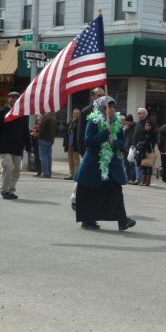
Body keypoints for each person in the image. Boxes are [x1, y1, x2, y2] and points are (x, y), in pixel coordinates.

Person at [74, 96, 135, 231]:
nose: (112, 110)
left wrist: (115, 143)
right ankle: (87, 220)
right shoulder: (93, 120)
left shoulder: (117, 122)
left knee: (116, 190)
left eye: (113, 107)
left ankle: (122, 220)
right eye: (109, 107)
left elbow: (121, 142)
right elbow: (88, 141)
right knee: (90, 192)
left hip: (111, 163)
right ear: (103, 108)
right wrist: (104, 133)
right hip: (94, 164)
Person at [0, 91, 31, 199]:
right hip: (5, 146)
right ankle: (4, 190)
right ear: (8, 99)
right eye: (12, 98)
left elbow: (25, 131)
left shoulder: (22, 114)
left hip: (18, 147)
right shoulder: (1, 112)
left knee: (16, 171)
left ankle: (11, 190)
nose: (14, 100)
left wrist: (28, 145)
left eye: (16, 98)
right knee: (8, 167)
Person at [135, 120, 157, 187]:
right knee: (144, 165)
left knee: (149, 166)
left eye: (147, 125)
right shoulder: (143, 132)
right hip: (143, 151)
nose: (145, 126)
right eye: (145, 125)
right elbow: (140, 140)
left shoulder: (153, 134)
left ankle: (147, 182)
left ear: (151, 126)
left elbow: (151, 142)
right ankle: (143, 181)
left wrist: (146, 140)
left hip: (149, 151)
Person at [37, 112, 57, 178]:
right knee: (49, 157)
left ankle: (45, 172)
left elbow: (41, 130)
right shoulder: (54, 119)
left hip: (43, 139)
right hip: (50, 140)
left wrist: (38, 134)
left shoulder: (44, 119)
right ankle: (49, 172)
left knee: (43, 157)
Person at [133, 108, 149, 185]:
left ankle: (142, 180)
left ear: (145, 114)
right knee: (137, 162)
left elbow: (148, 135)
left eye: (140, 113)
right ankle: (137, 179)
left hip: (144, 147)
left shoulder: (147, 123)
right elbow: (135, 135)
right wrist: (133, 144)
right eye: (138, 113)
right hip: (137, 146)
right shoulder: (137, 123)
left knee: (143, 163)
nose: (138, 114)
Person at [63, 108, 81, 180]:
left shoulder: (80, 122)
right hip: (69, 143)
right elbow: (66, 133)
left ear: (79, 114)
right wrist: (65, 143)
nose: (76, 114)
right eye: (75, 113)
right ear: (72, 114)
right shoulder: (70, 121)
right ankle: (71, 174)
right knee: (70, 159)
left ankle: (76, 175)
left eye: (77, 113)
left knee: (76, 159)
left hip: (75, 143)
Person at [122, 114, 136, 184]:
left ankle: (133, 178)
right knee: (126, 164)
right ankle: (129, 178)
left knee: (131, 164)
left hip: (132, 149)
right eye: (126, 121)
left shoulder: (135, 127)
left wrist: (134, 145)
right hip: (126, 149)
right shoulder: (126, 129)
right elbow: (123, 137)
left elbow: (135, 137)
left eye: (128, 122)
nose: (127, 123)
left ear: (132, 121)